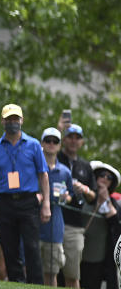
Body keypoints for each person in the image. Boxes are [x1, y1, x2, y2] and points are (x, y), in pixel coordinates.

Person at [0, 103, 50, 284]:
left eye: (16, 119)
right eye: (9, 119)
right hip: (4, 203)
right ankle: (16, 283)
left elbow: (43, 175)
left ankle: (36, 284)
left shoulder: (34, 145)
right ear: (3, 121)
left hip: (28, 202)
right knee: (9, 250)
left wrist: (46, 204)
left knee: (32, 248)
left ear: (22, 120)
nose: (13, 122)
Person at [58, 123, 96, 289]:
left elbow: (93, 198)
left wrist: (85, 189)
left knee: (73, 275)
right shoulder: (54, 157)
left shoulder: (85, 166)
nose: (73, 141)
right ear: (64, 139)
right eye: (70, 137)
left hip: (74, 226)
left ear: (82, 142)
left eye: (77, 138)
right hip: (51, 220)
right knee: (48, 272)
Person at [80, 161, 121, 289]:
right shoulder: (84, 195)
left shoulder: (113, 203)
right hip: (79, 250)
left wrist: (105, 200)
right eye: (102, 175)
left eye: (109, 178)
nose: (104, 179)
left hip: (98, 256)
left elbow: (115, 222)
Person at [39, 127, 71, 286]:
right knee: (30, 269)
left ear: (59, 145)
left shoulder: (65, 172)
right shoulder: (34, 168)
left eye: (55, 141)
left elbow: (70, 196)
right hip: (34, 226)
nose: (51, 144)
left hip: (55, 229)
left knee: (51, 274)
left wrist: (67, 197)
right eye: (48, 140)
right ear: (42, 143)